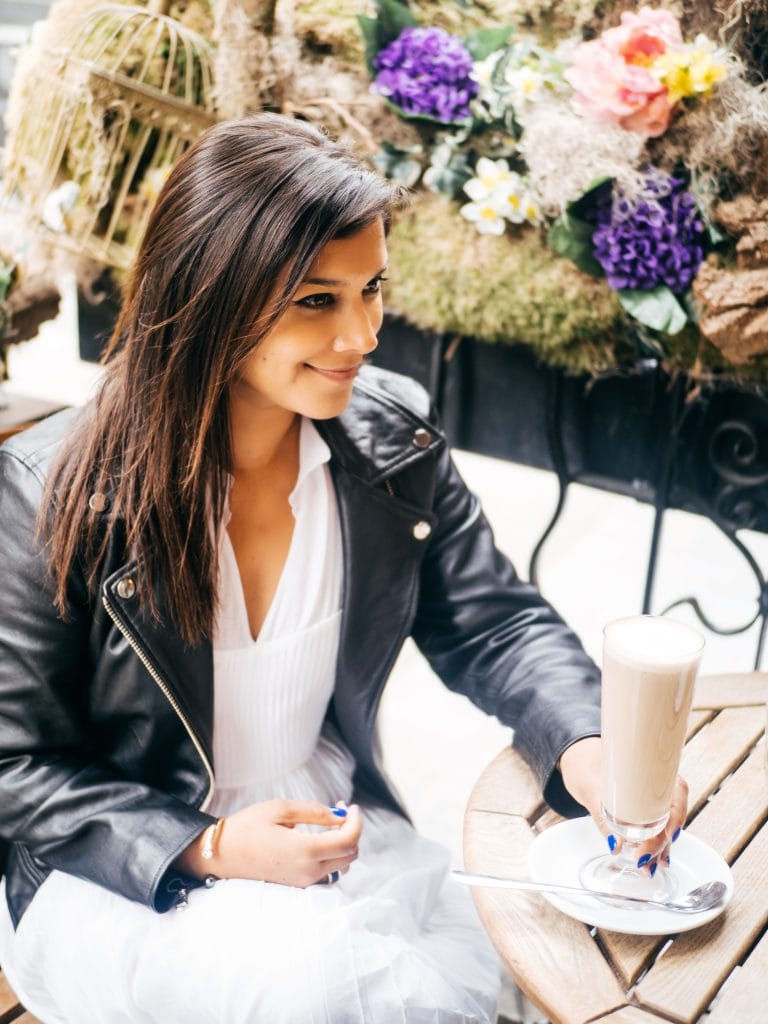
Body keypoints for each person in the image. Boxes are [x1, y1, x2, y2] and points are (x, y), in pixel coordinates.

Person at [0, 113, 687, 1024]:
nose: (363, 335)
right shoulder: (47, 491)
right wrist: (206, 847)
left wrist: (589, 747)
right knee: (320, 995)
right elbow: (17, 763)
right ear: (211, 297)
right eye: (317, 301)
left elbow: (496, 622)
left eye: (371, 290)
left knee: (545, 949)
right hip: (128, 875)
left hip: (337, 834)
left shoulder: (390, 441)